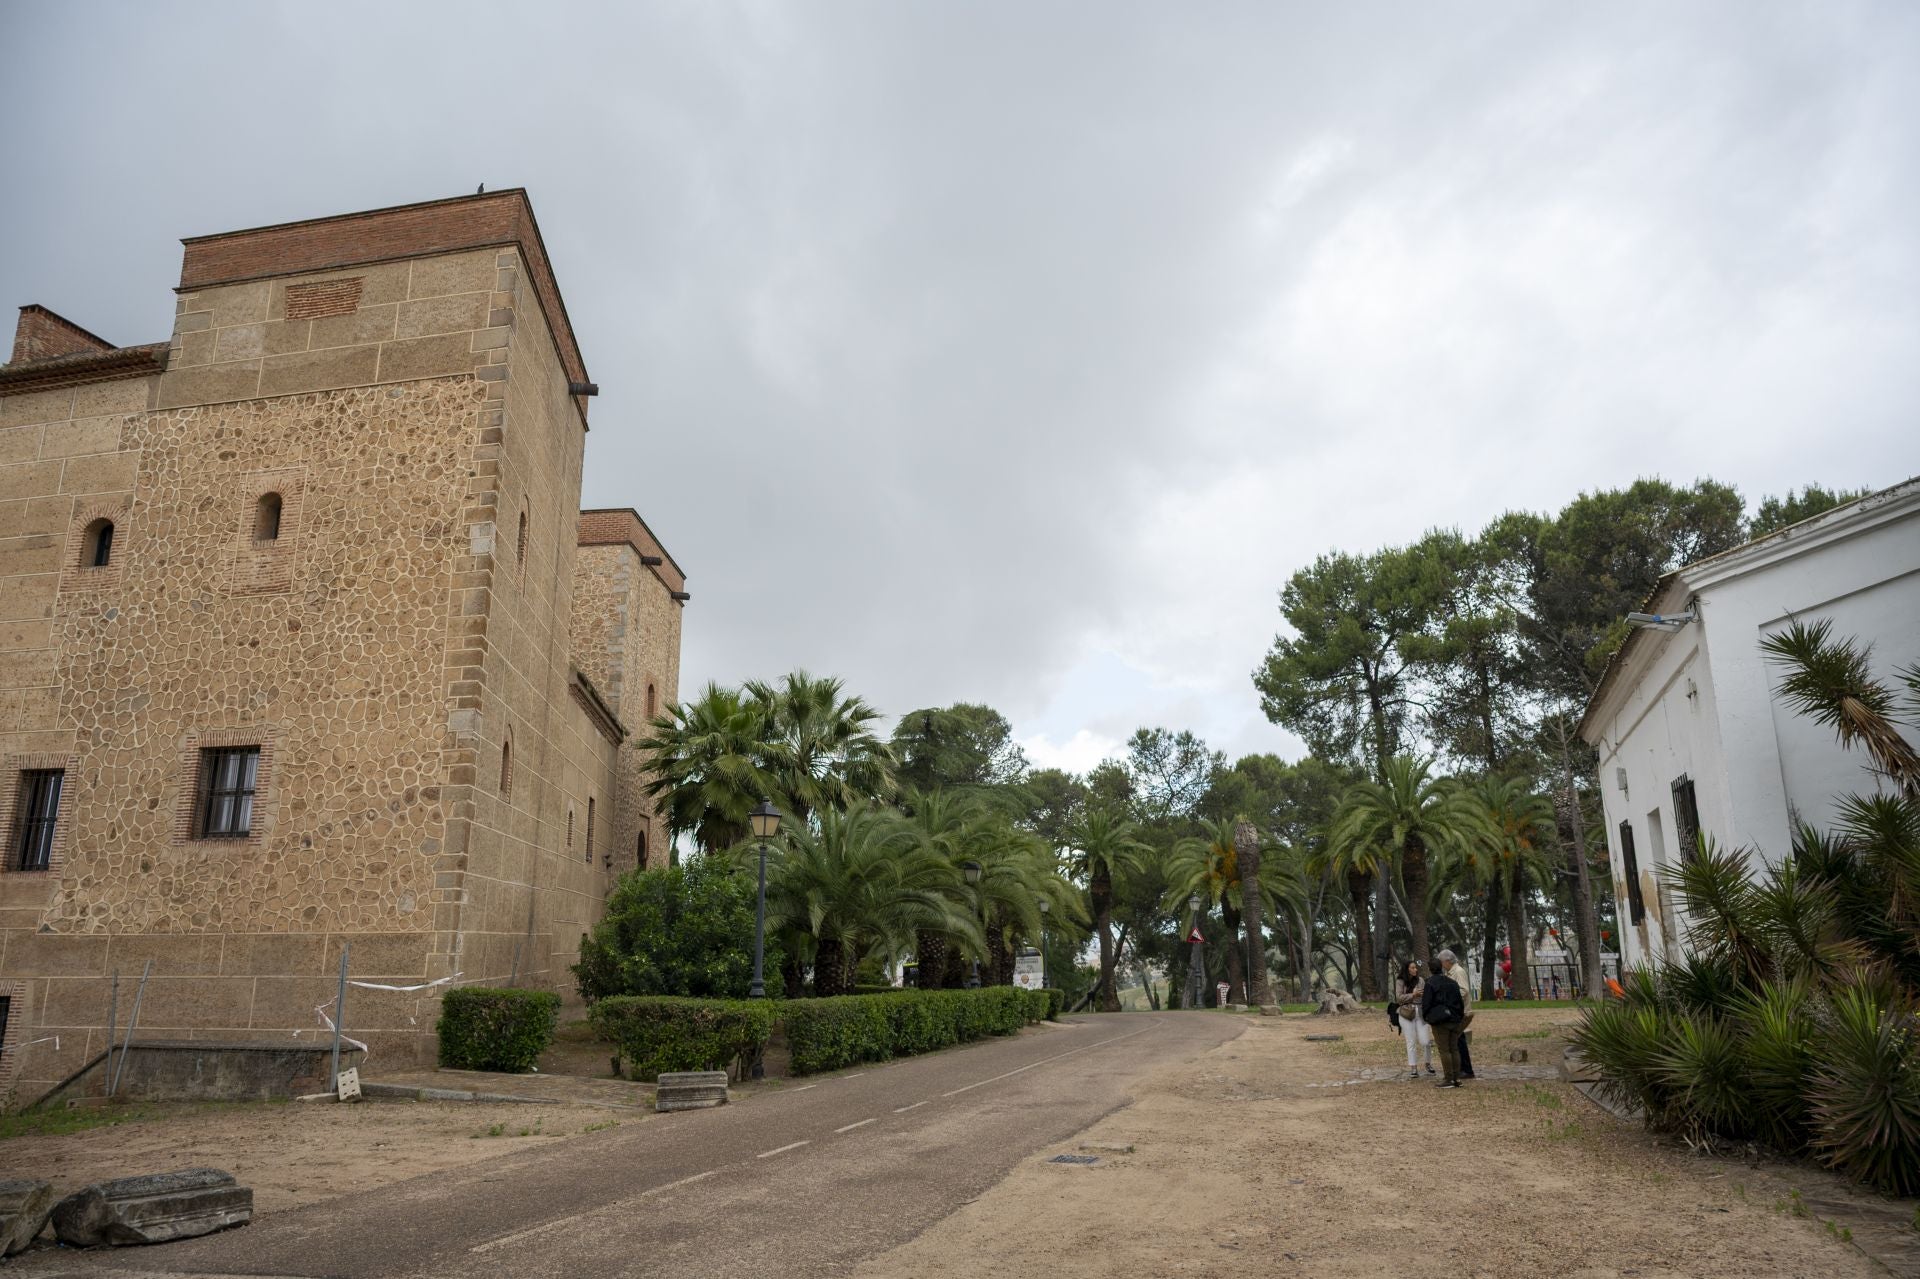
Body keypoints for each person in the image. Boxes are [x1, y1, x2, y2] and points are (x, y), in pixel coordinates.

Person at [1420, 958, 1465, 1088]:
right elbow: (1460, 1001)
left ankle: (1448, 1078)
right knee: (1454, 1049)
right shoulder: (1452, 983)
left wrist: (1428, 1017)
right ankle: (1457, 1078)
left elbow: (1426, 1003)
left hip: (1440, 1021)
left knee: (1444, 1050)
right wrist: (1459, 1016)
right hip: (1454, 1019)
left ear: (1430, 969)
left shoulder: (1430, 983)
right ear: (1441, 967)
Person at [1393, 958, 1434, 1079]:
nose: (1415, 969)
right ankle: (1413, 1068)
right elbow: (1399, 998)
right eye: (1412, 967)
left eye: (1415, 967)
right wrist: (1413, 995)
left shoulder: (1420, 980)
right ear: (1407, 969)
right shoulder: (1400, 981)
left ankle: (1428, 1063)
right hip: (1406, 1013)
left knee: (1425, 1041)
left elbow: (1425, 996)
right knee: (1411, 1041)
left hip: (1420, 1012)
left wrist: (1422, 997)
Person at [1439, 948, 1475, 1080]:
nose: (1441, 965)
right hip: (1455, 1011)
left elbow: (1464, 991)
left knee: (1459, 1040)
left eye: (1441, 962)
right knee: (1457, 1040)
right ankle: (1461, 1068)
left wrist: (1448, 998)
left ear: (1448, 961)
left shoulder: (1458, 972)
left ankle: (1466, 1069)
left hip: (1460, 1011)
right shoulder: (1449, 973)